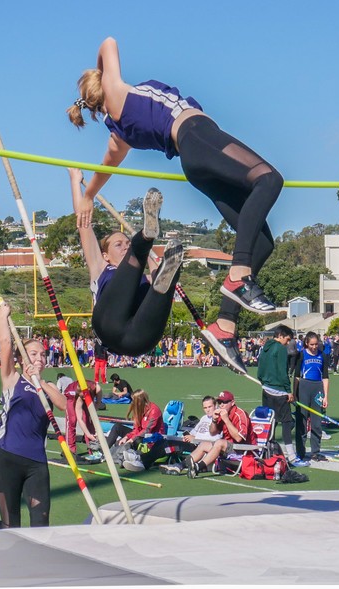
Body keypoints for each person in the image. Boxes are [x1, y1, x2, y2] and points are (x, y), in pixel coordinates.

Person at [69, 37, 283, 375]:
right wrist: (100, 72)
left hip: (194, 161)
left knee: (263, 242)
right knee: (269, 180)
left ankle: (225, 326)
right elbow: (108, 42)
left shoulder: (118, 135)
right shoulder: (118, 92)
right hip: (194, 135)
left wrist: (87, 195)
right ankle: (239, 275)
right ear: (102, 85)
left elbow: (105, 169)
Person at [69, 169, 184, 358]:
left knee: (160, 281)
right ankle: (145, 237)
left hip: (139, 341)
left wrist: (150, 256)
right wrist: (75, 181)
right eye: (118, 244)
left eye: (127, 243)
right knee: (141, 263)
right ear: (105, 255)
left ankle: (147, 240)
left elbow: (157, 273)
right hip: (108, 326)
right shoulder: (101, 268)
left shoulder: (146, 279)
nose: (124, 246)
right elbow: (83, 223)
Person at [0, 300, 67, 529]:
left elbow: (65, 407)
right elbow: (5, 343)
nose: (39, 358)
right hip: (7, 459)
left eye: (43, 355)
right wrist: (3, 315)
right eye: (33, 354)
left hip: (36, 465)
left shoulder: (48, 386)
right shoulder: (12, 379)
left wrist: (41, 381)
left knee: (40, 525)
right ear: (22, 358)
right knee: (12, 528)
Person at [257, 324, 306, 466]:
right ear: (280, 336)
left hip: (266, 390)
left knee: (271, 421)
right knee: (287, 422)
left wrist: (263, 381)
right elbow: (283, 372)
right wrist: (288, 391)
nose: (288, 342)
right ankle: (291, 457)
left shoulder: (265, 347)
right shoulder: (280, 349)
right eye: (287, 339)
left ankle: (267, 453)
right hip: (279, 391)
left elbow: (260, 369)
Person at [182, 390, 254, 478]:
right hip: (227, 447)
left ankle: (198, 467)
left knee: (219, 442)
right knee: (204, 444)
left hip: (242, 448)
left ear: (232, 402)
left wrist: (226, 420)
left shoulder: (240, 414)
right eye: (220, 402)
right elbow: (213, 432)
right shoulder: (222, 413)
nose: (222, 405)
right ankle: (180, 466)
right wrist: (214, 420)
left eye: (225, 402)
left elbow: (239, 438)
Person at [157, 396, 224, 473]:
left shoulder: (219, 420)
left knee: (169, 444)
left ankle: (146, 462)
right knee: (163, 441)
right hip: (192, 443)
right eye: (205, 408)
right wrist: (186, 436)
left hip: (198, 446)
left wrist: (195, 438)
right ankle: (145, 459)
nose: (208, 410)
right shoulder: (204, 418)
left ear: (215, 406)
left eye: (210, 407)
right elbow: (193, 433)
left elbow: (215, 440)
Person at [294, 332, 330, 462]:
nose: (314, 347)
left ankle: (315, 452)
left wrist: (325, 396)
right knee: (302, 421)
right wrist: (294, 393)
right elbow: (297, 375)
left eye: (316, 344)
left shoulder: (323, 356)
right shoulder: (302, 354)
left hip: (318, 388)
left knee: (316, 422)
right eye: (312, 344)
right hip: (304, 387)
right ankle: (301, 451)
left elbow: (325, 377)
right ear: (306, 344)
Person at [105, 389, 164, 459]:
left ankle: (126, 455)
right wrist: (126, 437)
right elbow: (136, 429)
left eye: (133, 401)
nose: (132, 403)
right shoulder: (139, 410)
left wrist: (132, 439)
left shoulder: (154, 410)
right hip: (139, 435)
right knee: (117, 427)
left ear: (139, 401)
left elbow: (147, 430)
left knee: (137, 440)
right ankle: (104, 452)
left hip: (151, 438)